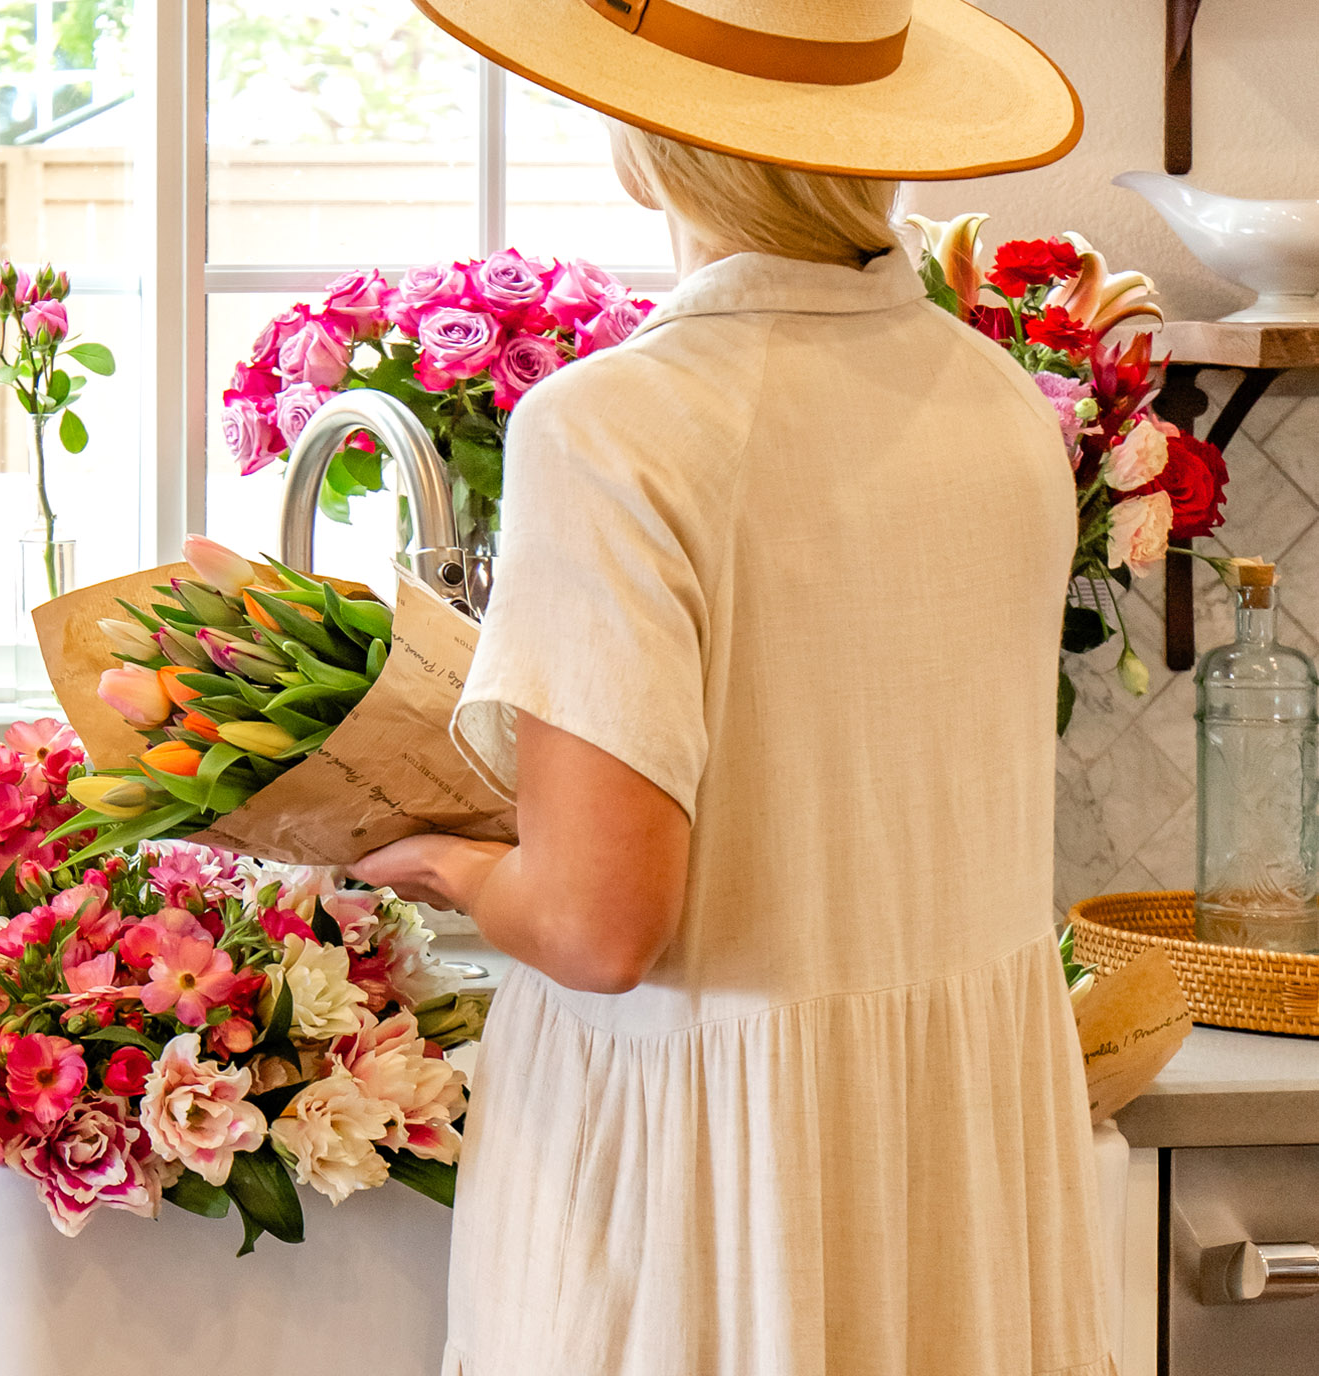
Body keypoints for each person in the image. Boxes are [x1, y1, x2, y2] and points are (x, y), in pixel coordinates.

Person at [350, 1, 1102, 1372]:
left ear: (648, 139)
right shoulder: (1001, 406)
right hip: (958, 1177)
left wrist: (438, 862)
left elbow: (596, 925)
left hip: (695, 1189)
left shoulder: (612, 427)